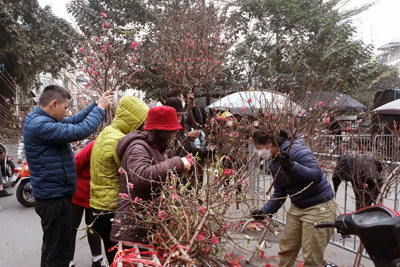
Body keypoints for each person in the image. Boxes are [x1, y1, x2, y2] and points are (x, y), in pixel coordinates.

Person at [23, 84, 113, 267]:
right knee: (59, 253)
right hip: (53, 199)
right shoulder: (40, 125)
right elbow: (80, 130)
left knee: (52, 247)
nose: (67, 112)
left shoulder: (43, 118)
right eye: (65, 108)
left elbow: (74, 121)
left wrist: (96, 104)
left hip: (56, 195)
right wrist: (101, 109)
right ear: (53, 104)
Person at [251, 128, 336, 266]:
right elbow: (280, 191)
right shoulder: (274, 162)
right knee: (287, 249)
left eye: (259, 148)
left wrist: (291, 166)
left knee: (312, 257)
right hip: (298, 206)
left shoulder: (296, 150)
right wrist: (265, 211)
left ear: (268, 143)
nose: (258, 153)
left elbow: (316, 175)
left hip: (319, 206)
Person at [110, 106, 191, 245]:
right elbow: (141, 176)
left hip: (142, 224)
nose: (173, 137)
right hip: (132, 229)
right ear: (161, 132)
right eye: (171, 133)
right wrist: (177, 162)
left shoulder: (153, 147)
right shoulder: (138, 147)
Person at [89, 96, 149, 264]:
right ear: (133, 120)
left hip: (98, 206)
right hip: (110, 210)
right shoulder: (119, 141)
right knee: (121, 259)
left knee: (114, 257)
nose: (144, 127)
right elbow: (132, 176)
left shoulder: (107, 133)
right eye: (142, 122)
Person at [70, 140, 106, 267]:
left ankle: (97, 259)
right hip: (79, 192)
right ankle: (69, 260)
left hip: (96, 194)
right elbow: (76, 163)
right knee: (71, 227)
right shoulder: (94, 145)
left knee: (93, 227)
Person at [165, 97, 213, 187]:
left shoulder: (179, 131)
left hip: (185, 176)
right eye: (177, 113)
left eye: (181, 114)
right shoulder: (165, 134)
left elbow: (187, 148)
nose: (180, 116)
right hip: (175, 177)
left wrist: (204, 152)